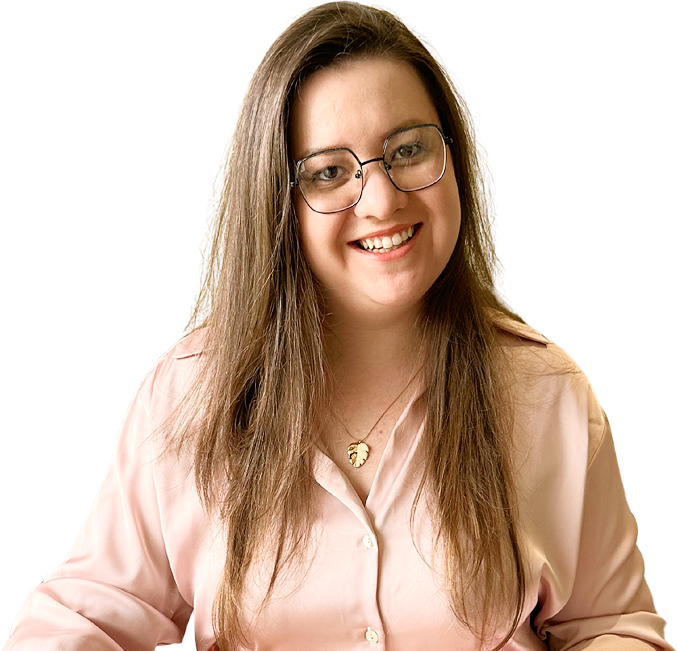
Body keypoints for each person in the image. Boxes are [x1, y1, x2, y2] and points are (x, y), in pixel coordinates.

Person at [4, 2, 671, 650]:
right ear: (277, 204)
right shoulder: (185, 394)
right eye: (328, 172)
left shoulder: (548, 390)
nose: (381, 200)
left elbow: (611, 625)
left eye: (408, 149)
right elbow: (86, 614)